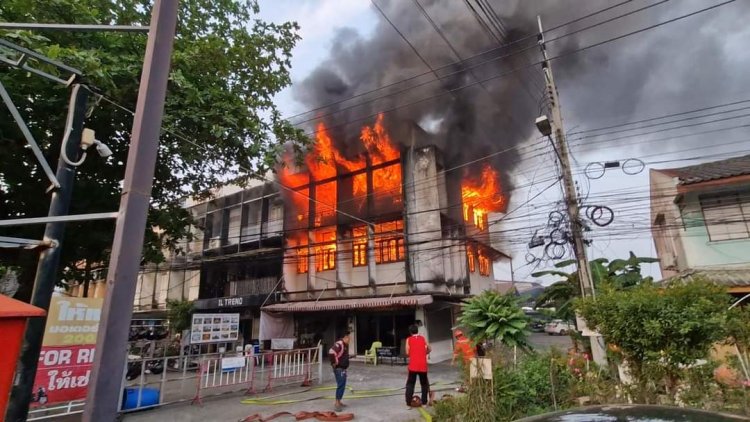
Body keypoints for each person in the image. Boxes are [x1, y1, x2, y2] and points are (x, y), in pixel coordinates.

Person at [405, 323, 431, 408]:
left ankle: (409, 403)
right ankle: (424, 403)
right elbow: (429, 348)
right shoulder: (423, 338)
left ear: (410, 332)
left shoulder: (408, 339)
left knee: (410, 384)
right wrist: (425, 352)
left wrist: (413, 353)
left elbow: (407, 352)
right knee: (424, 384)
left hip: (413, 365)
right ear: (417, 330)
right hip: (423, 365)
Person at [329, 331, 351, 412]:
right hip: (339, 369)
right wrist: (334, 363)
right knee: (341, 385)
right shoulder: (340, 344)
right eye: (348, 338)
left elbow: (341, 355)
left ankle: (339, 401)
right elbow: (331, 352)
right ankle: (337, 403)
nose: (349, 339)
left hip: (342, 369)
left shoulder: (345, 345)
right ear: (345, 337)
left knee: (342, 384)